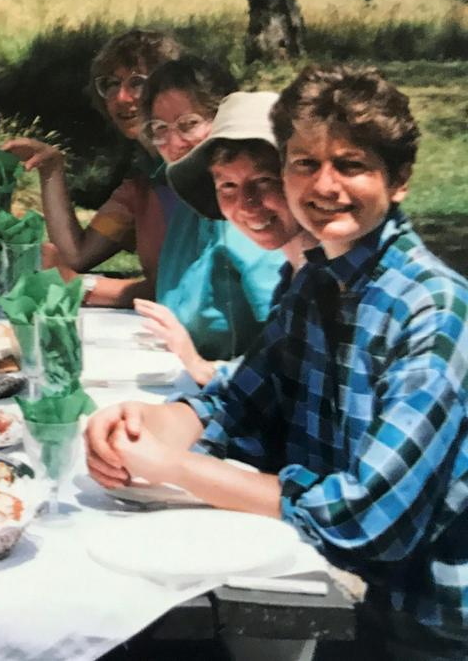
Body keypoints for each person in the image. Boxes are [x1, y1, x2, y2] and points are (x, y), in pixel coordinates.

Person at [87, 66, 468, 659]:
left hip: (422, 622)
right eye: (305, 164)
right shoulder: (316, 285)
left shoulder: (432, 310)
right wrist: (140, 421)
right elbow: (237, 401)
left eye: (352, 164)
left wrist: (171, 464)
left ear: (399, 180)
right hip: (330, 591)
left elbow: (366, 517)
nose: (325, 185)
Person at [136, 91, 317, 384]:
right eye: (228, 185)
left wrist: (198, 365)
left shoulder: (332, 279)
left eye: (264, 181)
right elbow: (272, 374)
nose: (247, 204)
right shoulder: (293, 272)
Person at [3, 30, 181, 305]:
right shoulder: (141, 186)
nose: (121, 97)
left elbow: (180, 289)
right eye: (110, 84)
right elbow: (77, 255)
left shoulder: (196, 176)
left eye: (137, 83)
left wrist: (79, 287)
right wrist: (51, 169)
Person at [133, 57, 284, 367]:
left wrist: (206, 370)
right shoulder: (192, 201)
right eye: (159, 129)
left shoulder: (252, 216)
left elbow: (290, 350)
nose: (174, 142)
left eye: (188, 124)